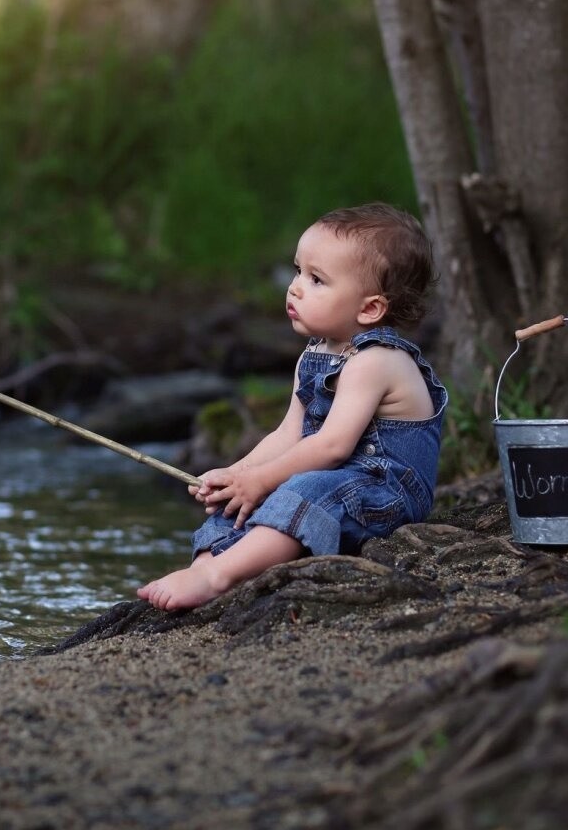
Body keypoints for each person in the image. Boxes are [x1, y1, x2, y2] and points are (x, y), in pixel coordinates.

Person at [138, 202, 448, 611]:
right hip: (338, 479)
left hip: (385, 491)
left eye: (317, 280)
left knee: (302, 488)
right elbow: (290, 434)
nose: (296, 287)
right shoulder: (314, 355)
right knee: (245, 497)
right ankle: (207, 563)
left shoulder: (376, 362)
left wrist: (263, 479)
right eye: (298, 270)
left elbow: (332, 447)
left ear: (369, 308)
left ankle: (220, 577)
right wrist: (239, 474)